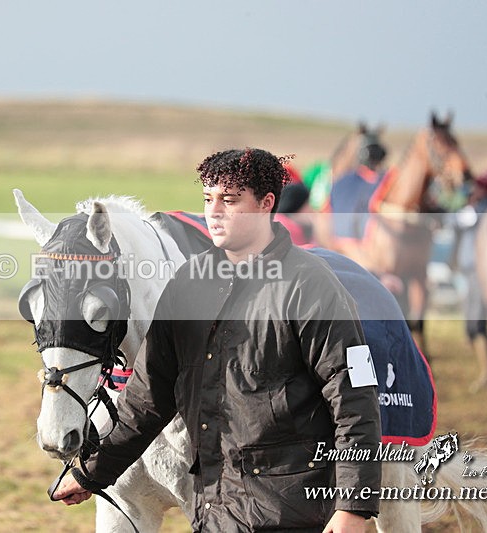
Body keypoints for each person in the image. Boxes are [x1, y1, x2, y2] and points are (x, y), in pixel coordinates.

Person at [54, 148, 382, 532]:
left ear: (265, 204)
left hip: (294, 511)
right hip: (216, 511)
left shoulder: (311, 285)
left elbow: (355, 399)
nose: (215, 211)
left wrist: (353, 508)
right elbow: (146, 396)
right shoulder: (188, 285)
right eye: (208, 199)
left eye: (230, 200)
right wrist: (91, 472)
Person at [451, 164, 487, 391]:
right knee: (477, 325)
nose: (473, 191)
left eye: (478, 188)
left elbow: (457, 221)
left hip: (479, 274)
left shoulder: (481, 211)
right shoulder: (485, 208)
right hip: (475, 273)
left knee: (476, 325)